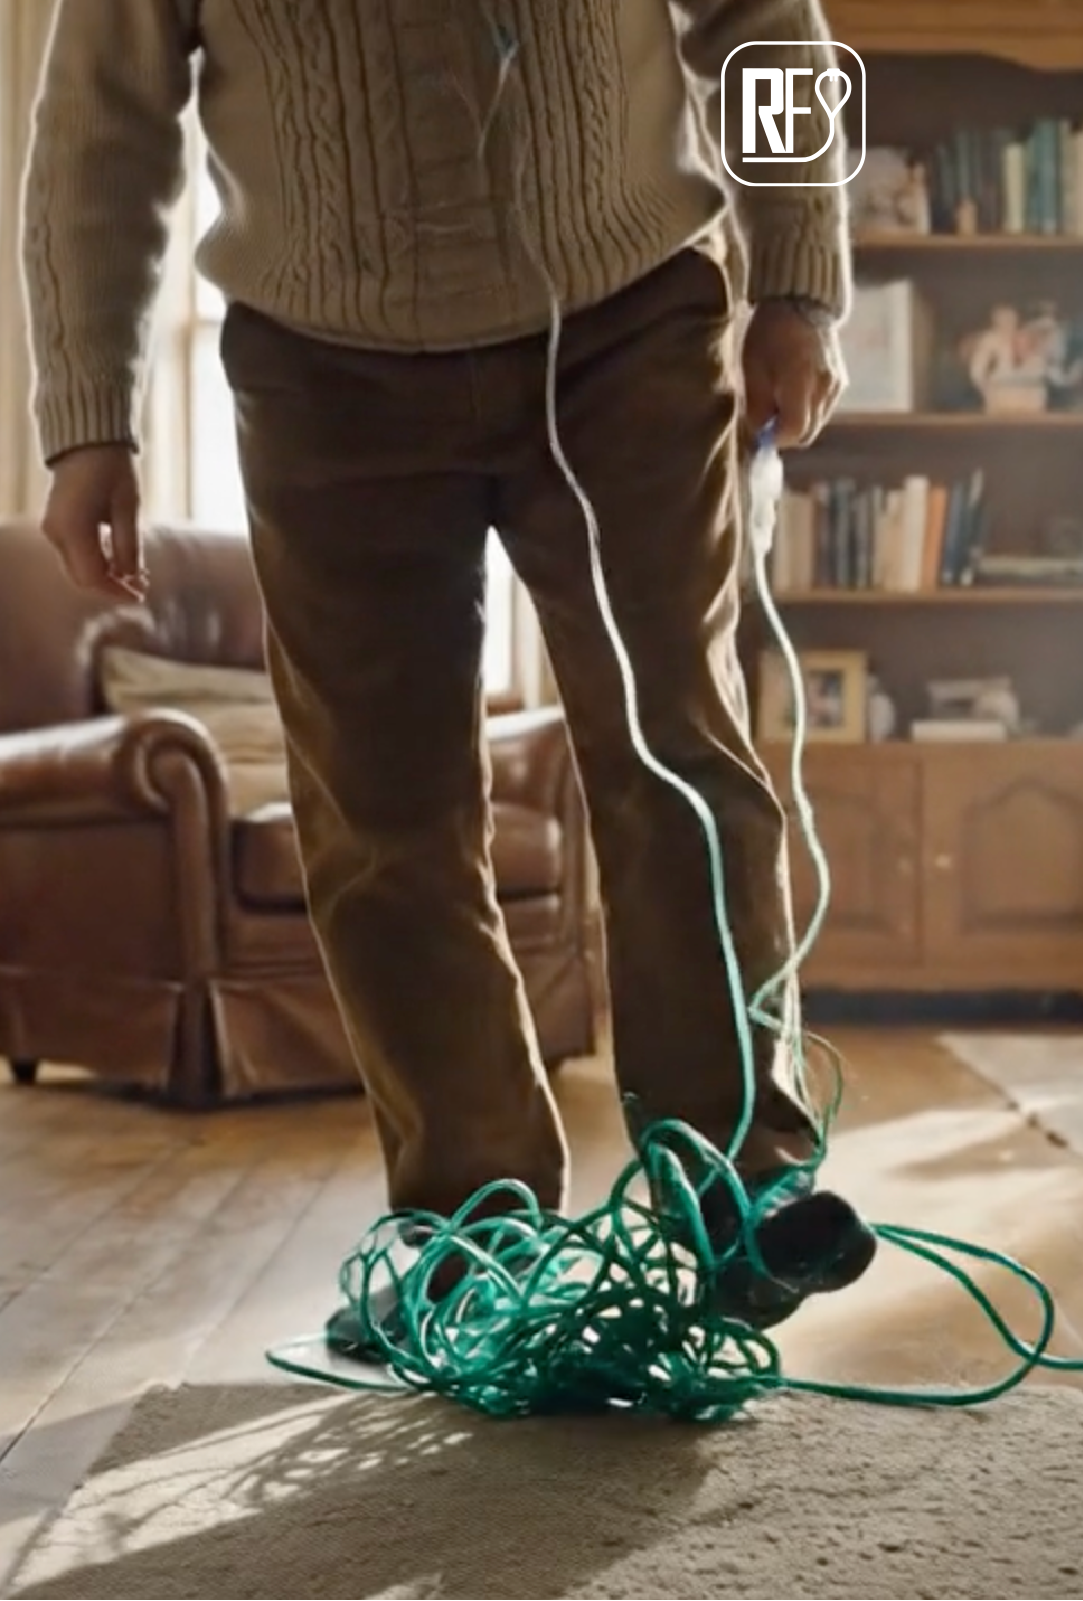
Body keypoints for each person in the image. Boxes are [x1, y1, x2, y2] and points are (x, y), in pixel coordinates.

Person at [22, 0, 876, 1355]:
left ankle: (736, 1183)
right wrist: (87, 420)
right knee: (380, 810)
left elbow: (770, 26)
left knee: (677, 760)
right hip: (320, 373)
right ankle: (470, 1221)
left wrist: (796, 277)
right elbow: (97, 136)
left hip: (627, 333)